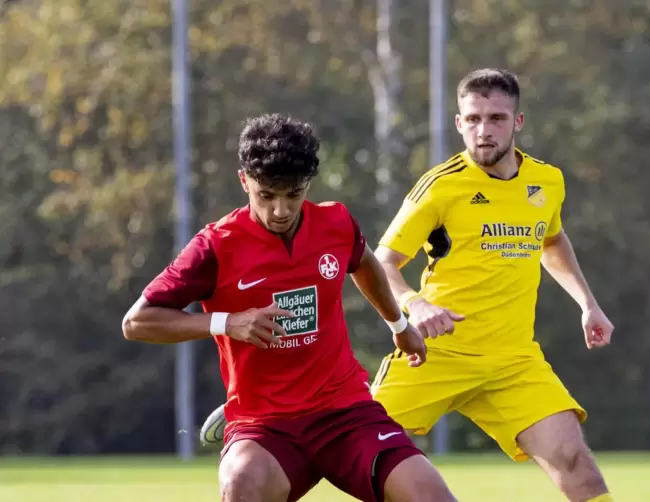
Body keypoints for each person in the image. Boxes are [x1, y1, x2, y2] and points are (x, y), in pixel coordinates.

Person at [199, 69, 615, 501]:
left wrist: (588, 303)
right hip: (434, 354)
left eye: (496, 118)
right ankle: (258, 419)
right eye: (473, 119)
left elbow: (552, 239)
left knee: (576, 462)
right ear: (459, 123)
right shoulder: (440, 188)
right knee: (341, 444)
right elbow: (383, 261)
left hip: (513, 361)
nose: (484, 130)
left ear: (518, 122)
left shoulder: (547, 182)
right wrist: (414, 305)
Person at [122, 113, 456, 502]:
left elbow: (363, 262)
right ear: (244, 181)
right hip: (264, 426)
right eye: (267, 195)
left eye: (293, 194)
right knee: (241, 483)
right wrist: (228, 323)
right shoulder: (215, 247)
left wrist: (399, 325)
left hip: (345, 413)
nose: (281, 210)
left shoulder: (336, 222)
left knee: (434, 498)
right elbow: (137, 322)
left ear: (308, 185)